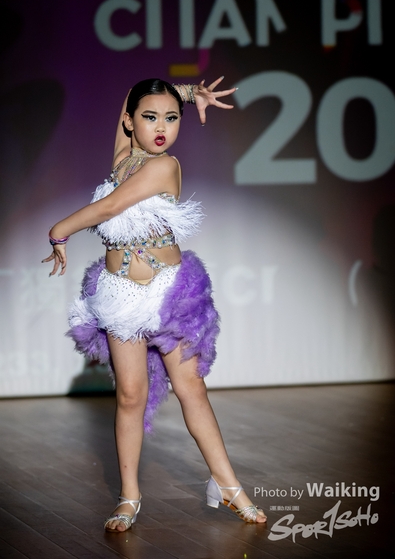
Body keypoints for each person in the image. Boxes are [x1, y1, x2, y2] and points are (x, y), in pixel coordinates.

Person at [42, 77, 267, 532]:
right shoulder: (122, 160)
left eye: (171, 118)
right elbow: (129, 93)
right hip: (120, 295)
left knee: (191, 390)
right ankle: (129, 496)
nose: (162, 127)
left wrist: (59, 229)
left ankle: (227, 485)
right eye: (150, 117)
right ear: (130, 122)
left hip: (169, 295)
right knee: (130, 396)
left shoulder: (165, 166)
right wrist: (186, 92)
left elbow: (109, 209)